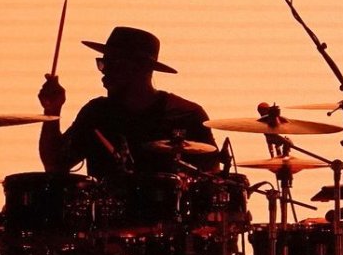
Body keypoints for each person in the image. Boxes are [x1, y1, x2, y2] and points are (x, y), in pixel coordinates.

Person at [37, 26, 217, 179]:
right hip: (105, 211)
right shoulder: (96, 113)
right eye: (103, 63)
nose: (104, 71)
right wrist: (52, 109)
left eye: (113, 63)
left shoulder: (187, 115)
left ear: (141, 68)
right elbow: (54, 165)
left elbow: (212, 180)